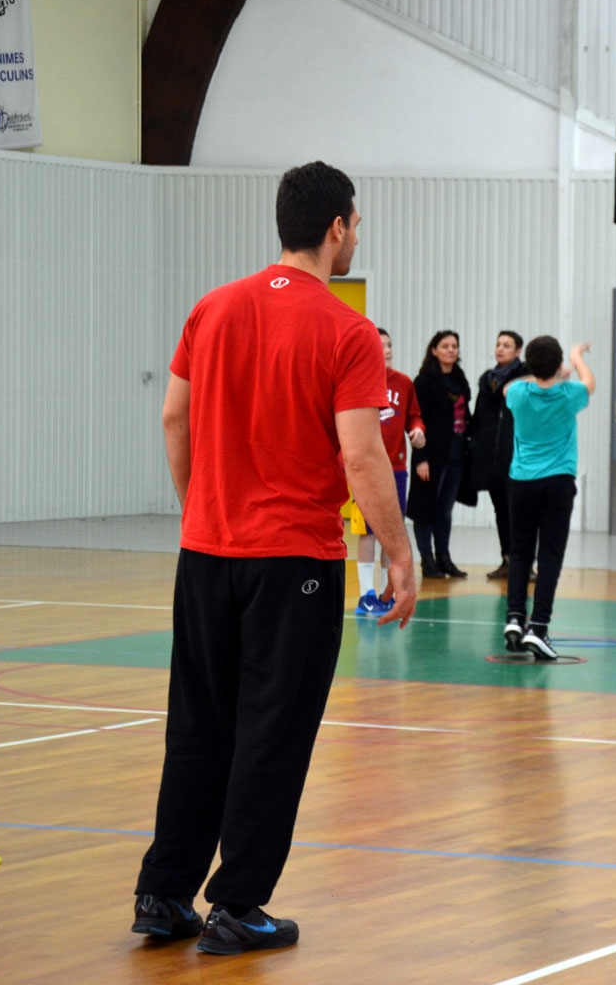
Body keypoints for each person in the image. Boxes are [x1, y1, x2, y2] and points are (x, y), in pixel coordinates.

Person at [132, 161, 416, 955]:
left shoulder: (212, 307)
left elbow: (173, 418)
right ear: (336, 229)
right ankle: (238, 904)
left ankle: (162, 893)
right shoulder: (348, 331)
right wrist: (401, 554)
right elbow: (362, 459)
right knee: (273, 732)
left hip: (206, 553)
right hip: (293, 559)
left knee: (197, 724)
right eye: (355, 225)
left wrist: (201, 511)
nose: (356, 237)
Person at [500, 337, 595, 660]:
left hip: (522, 482)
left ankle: (514, 618)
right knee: (550, 556)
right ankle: (538, 627)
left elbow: (509, 386)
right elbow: (590, 382)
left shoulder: (517, 393)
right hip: (557, 483)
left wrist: (543, 373)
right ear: (557, 365)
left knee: (520, 551)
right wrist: (576, 357)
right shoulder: (570, 395)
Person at [350, 328, 426, 614]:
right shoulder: (358, 381)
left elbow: (413, 416)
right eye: (381, 345)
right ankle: (366, 593)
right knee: (368, 532)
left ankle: (385, 593)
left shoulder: (403, 383)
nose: (387, 349)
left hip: (396, 469)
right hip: (368, 470)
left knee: (391, 532)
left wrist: (418, 430)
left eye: (390, 344)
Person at [407, 329, 472, 580]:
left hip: (455, 453)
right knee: (425, 508)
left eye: (454, 346)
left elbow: (465, 414)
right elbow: (416, 419)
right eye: (445, 346)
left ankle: (444, 558)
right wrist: (420, 457)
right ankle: (427, 560)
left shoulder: (459, 377)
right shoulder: (423, 381)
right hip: (430, 454)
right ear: (434, 350)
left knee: (444, 510)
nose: (451, 350)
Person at [470, 330, 529, 579]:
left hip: (516, 457)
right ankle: (506, 559)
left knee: (520, 512)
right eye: (498, 344)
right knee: (500, 511)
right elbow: (479, 417)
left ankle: (524, 563)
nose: (500, 348)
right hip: (490, 460)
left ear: (517, 351)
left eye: (507, 345)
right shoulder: (488, 379)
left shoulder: (526, 377)